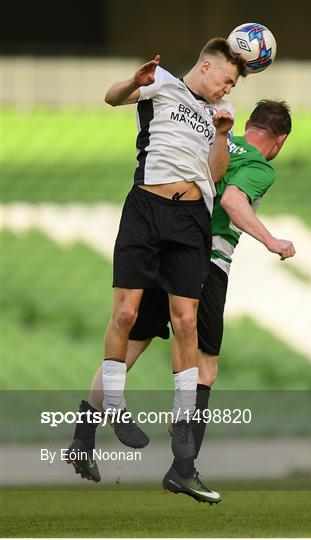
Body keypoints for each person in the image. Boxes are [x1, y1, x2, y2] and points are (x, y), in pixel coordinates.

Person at [72, 100, 295, 503]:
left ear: (248, 125)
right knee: (205, 367)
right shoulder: (261, 167)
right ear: (278, 142)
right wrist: (272, 240)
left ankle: (82, 440)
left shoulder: (217, 142)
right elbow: (232, 202)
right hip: (204, 263)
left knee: (126, 352)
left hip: (162, 247)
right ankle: (183, 469)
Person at [67, 38, 246, 481]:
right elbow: (111, 98)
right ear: (206, 66)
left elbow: (216, 173)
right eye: (226, 80)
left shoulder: (216, 114)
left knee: (185, 322)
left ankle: (182, 428)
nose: (227, 90)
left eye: (232, 85)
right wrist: (135, 79)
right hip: (147, 209)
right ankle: (112, 408)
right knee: (125, 314)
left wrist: (222, 134)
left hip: (189, 221)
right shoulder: (161, 83)